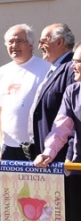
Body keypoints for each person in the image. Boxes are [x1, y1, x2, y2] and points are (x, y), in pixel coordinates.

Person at [33, 41, 81, 221]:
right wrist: (48, 153)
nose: (72, 66)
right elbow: (61, 128)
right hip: (77, 169)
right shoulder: (72, 91)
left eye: (77, 62)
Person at [0, 24, 50, 160]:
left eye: (19, 41)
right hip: (8, 146)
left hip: (37, 147)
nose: (14, 45)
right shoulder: (2, 71)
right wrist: (1, 143)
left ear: (30, 45)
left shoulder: (46, 69)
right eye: (10, 42)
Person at [30, 23, 75, 162]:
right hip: (49, 155)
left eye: (43, 41)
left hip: (62, 158)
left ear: (59, 41)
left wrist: (69, 156)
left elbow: (74, 115)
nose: (39, 47)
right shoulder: (55, 68)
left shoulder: (72, 68)